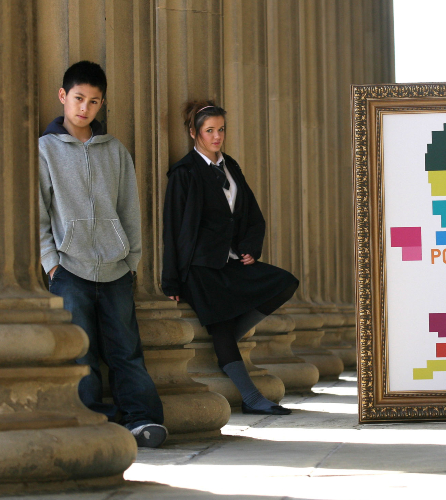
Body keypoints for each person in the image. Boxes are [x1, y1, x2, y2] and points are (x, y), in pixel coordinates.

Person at [39, 61, 167, 446]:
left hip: (115, 269)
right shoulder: (45, 150)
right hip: (69, 269)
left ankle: (142, 420)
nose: (85, 108)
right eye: (78, 99)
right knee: (82, 352)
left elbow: (130, 210)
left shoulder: (115, 151)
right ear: (63, 96)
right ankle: (90, 421)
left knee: (126, 350)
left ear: (101, 104)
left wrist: (132, 262)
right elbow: (39, 212)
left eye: (94, 102)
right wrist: (51, 264)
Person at [162, 100, 299, 415]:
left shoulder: (231, 167)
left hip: (232, 263)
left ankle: (224, 339)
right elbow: (173, 228)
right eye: (210, 130)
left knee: (283, 283)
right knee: (221, 328)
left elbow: (252, 215)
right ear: (194, 133)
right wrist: (171, 278)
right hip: (199, 267)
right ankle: (252, 399)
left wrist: (250, 247)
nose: (217, 136)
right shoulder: (184, 173)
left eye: (221, 130)